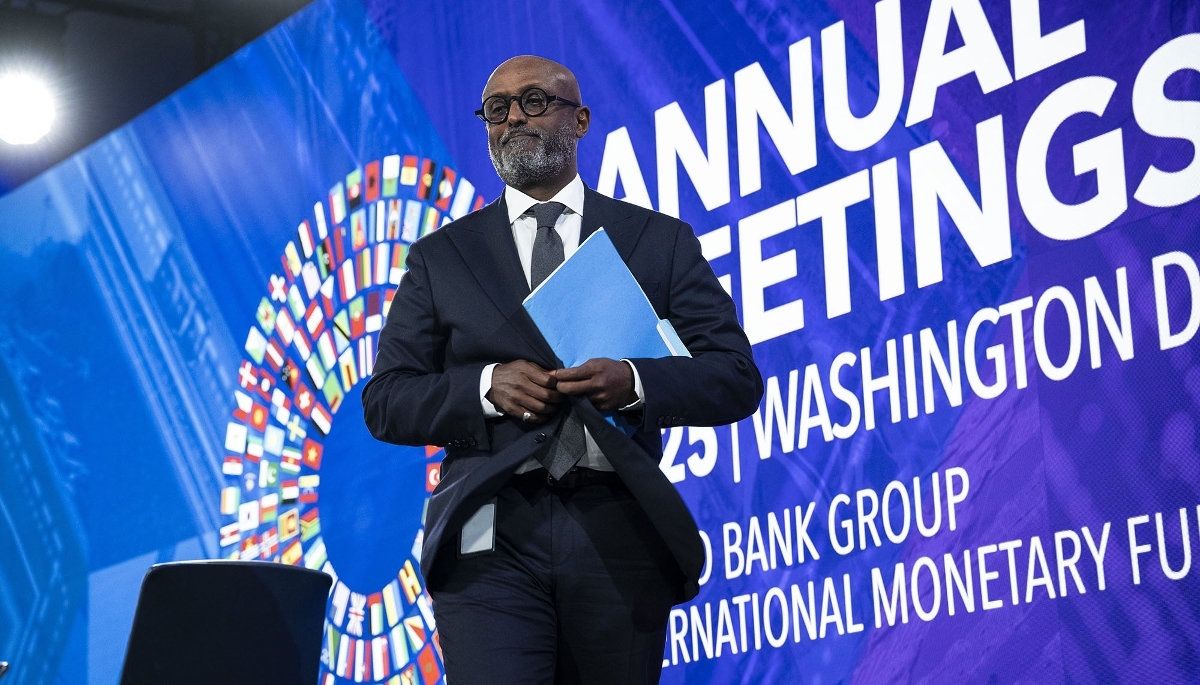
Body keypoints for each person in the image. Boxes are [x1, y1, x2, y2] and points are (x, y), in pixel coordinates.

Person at [362, 55, 762, 685]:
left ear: (580, 120)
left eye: (533, 101)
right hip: (489, 527)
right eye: (497, 109)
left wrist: (633, 381)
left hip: (618, 525)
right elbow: (387, 399)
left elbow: (734, 377)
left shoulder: (656, 240)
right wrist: (484, 387)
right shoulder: (442, 258)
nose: (514, 118)